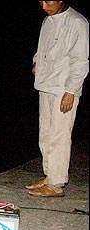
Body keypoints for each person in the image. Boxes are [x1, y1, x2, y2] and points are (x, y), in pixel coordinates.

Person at [26, 1, 89, 197]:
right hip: (45, 85)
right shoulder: (47, 21)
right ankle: (50, 175)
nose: (44, 6)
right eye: (41, 2)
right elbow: (41, 49)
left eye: (48, 1)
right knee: (45, 134)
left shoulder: (77, 22)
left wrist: (71, 91)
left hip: (63, 88)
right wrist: (36, 62)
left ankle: (56, 183)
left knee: (59, 136)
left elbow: (80, 59)